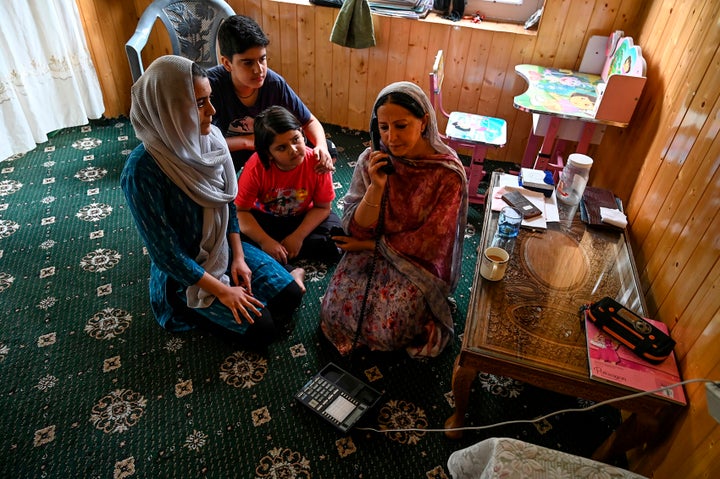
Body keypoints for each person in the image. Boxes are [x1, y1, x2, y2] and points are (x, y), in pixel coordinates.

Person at [120, 55, 305, 349]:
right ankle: (186, 306)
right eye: (199, 103)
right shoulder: (142, 171)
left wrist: (240, 257)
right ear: (167, 108)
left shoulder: (212, 139)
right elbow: (166, 255)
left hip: (222, 246)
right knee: (263, 330)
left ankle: (258, 281)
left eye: (209, 99)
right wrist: (221, 291)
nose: (212, 111)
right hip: (185, 271)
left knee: (291, 296)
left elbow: (227, 203)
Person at [319, 81, 468, 358]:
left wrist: (367, 247)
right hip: (376, 248)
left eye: (401, 126)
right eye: (383, 127)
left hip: (417, 263)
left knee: (389, 327)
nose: (391, 138)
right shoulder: (372, 160)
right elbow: (356, 227)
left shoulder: (447, 174)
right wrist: (376, 187)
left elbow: (431, 245)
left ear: (423, 122)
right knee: (334, 309)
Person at [208, 14, 335, 173]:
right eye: (248, 63)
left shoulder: (274, 83)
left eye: (262, 59)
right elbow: (204, 142)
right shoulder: (209, 87)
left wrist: (321, 146)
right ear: (227, 63)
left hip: (269, 146)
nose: (259, 70)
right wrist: (247, 142)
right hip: (231, 150)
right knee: (211, 169)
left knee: (328, 150)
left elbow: (309, 121)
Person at [235, 105, 343, 265]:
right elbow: (240, 211)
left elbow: (322, 207)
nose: (293, 150)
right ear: (268, 154)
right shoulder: (255, 167)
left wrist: (298, 236)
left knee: (338, 240)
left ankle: (279, 255)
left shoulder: (318, 162)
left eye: (295, 139)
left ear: (302, 133)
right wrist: (265, 241)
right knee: (230, 235)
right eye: (281, 147)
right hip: (266, 219)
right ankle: (279, 253)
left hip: (303, 217)